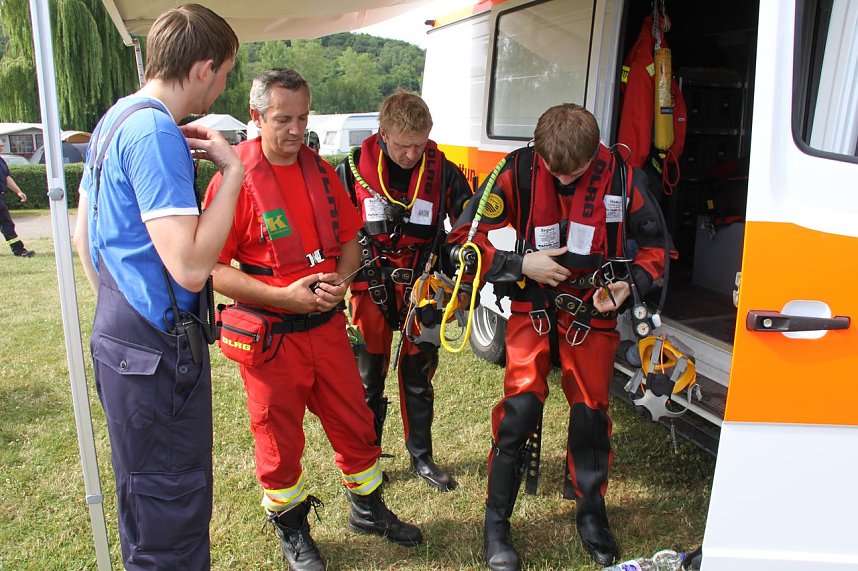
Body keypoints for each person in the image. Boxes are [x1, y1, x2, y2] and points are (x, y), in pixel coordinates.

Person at [204, 68, 422, 571]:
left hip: (325, 328)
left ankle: (366, 509)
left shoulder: (322, 171)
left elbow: (350, 240)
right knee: (278, 440)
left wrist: (342, 281)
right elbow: (211, 269)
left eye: (303, 117)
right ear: (256, 117)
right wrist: (282, 296)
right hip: (272, 339)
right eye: (284, 119)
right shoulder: (232, 179)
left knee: (356, 422)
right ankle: (292, 529)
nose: (297, 130)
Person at [448, 103, 671, 569]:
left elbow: (655, 251)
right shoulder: (518, 171)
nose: (566, 181)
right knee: (520, 410)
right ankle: (496, 522)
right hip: (534, 304)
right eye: (557, 172)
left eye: (579, 172)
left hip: (593, 311)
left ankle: (591, 514)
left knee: (591, 413)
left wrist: (630, 286)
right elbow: (462, 242)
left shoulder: (624, 179)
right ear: (540, 154)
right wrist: (518, 263)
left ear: (596, 156)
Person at [72, 5, 242, 569]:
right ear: (202, 67)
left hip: (122, 336)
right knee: (172, 507)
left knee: (144, 504)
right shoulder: (154, 132)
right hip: (157, 350)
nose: (221, 88)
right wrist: (233, 174)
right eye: (223, 75)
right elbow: (192, 267)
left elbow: (84, 238)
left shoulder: (115, 120)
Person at [335, 89, 472, 492]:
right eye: (403, 146)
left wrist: (461, 271)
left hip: (423, 284)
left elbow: (466, 221)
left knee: (419, 372)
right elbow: (335, 229)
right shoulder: (351, 169)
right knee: (367, 377)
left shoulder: (442, 169)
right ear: (382, 134)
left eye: (420, 145)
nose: (412, 154)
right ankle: (366, 457)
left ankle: (422, 456)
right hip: (369, 281)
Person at [0, 141, 35, 258]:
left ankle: (19, 250)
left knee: (7, 225)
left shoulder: (1, 161)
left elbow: (6, 177)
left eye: (2, 146)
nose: (1, 148)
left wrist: (18, 191)